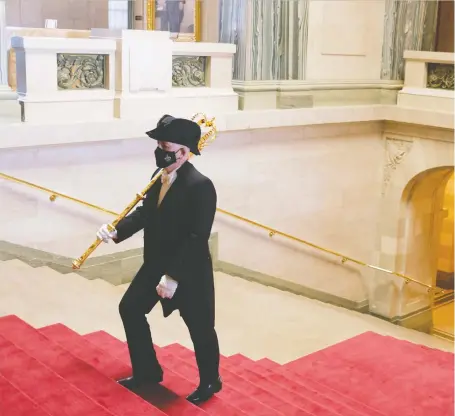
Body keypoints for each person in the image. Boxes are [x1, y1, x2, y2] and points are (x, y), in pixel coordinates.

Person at [96, 115, 222, 404]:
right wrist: (116, 231)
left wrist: (173, 277)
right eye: (158, 144)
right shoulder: (158, 176)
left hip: (188, 271)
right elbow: (145, 213)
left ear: (184, 151)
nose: (159, 150)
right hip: (155, 263)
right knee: (130, 308)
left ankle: (211, 381)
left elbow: (196, 236)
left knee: (200, 327)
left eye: (164, 145)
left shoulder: (201, 186)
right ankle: (147, 371)